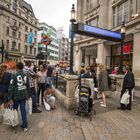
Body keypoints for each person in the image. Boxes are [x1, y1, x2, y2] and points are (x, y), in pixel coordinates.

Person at [8, 62, 30, 132]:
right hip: (24, 94)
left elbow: (11, 87)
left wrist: (9, 97)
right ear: (22, 67)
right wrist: (28, 95)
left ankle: (13, 122)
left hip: (16, 95)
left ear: (17, 67)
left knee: (15, 109)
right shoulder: (26, 74)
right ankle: (25, 126)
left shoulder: (14, 75)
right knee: (23, 109)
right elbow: (28, 85)